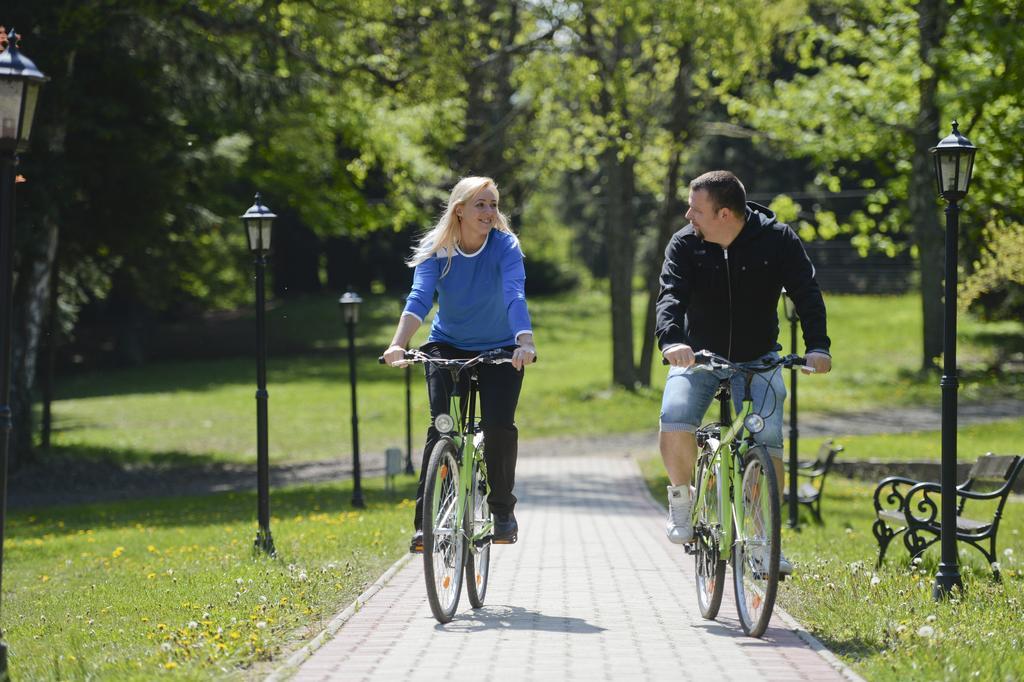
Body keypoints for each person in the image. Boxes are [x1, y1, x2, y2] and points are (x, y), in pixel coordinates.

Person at [655, 170, 831, 576]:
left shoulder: (777, 240)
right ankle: (682, 498)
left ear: (725, 214)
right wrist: (671, 341)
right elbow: (670, 295)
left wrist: (818, 346)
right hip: (697, 357)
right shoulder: (685, 244)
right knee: (675, 416)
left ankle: (762, 540)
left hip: (760, 359)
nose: (688, 216)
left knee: (766, 444)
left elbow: (806, 293)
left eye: (696, 210)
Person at [383, 176, 536, 553]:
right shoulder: (438, 248)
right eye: (480, 204)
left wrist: (524, 340)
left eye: (494, 205)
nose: (489, 212)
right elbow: (419, 299)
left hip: (501, 347)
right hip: (447, 345)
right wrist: (398, 344)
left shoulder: (505, 246)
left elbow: (514, 293)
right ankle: (426, 526)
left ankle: (502, 512)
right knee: (442, 430)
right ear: (460, 210)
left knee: (499, 425)